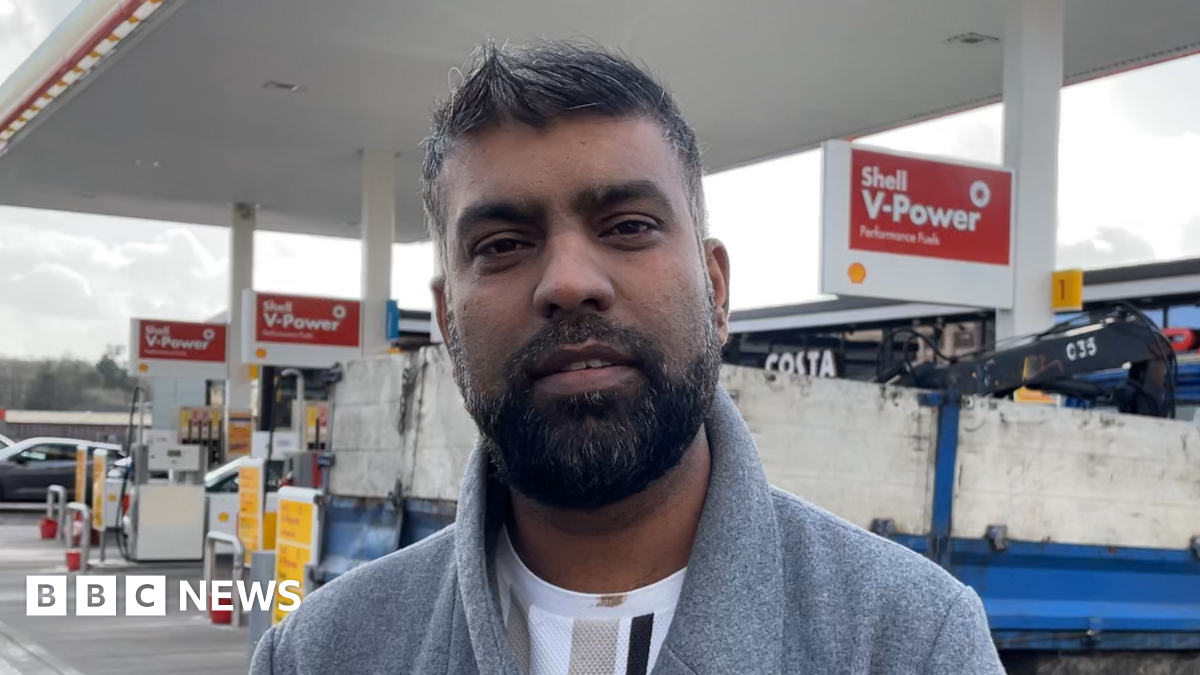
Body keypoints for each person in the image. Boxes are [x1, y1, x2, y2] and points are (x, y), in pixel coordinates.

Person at [250, 40, 1004, 675]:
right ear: (446, 320)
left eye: (629, 225)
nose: (570, 281)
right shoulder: (322, 653)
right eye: (504, 244)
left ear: (715, 289)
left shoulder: (910, 640)